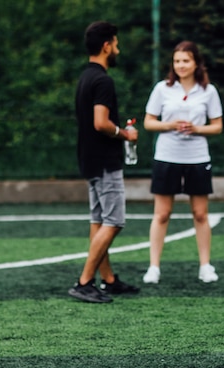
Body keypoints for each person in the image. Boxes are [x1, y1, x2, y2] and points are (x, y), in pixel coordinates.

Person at [69, 21, 140, 303]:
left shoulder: (85, 77)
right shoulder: (103, 80)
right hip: (105, 161)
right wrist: (125, 134)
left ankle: (108, 279)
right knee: (114, 221)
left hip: (89, 158)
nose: (118, 48)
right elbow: (101, 123)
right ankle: (84, 281)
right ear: (106, 46)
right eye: (116, 43)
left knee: (99, 219)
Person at [141, 41, 223, 284]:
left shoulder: (208, 91)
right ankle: (154, 267)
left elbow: (217, 126)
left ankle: (205, 266)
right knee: (162, 214)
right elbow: (148, 122)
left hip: (197, 158)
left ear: (196, 62)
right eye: (177, 61)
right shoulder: (162, 89)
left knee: (200, 214)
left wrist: (197, 129)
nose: (181, 65)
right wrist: (170, 125)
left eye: (186, 60)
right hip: (167, 157)